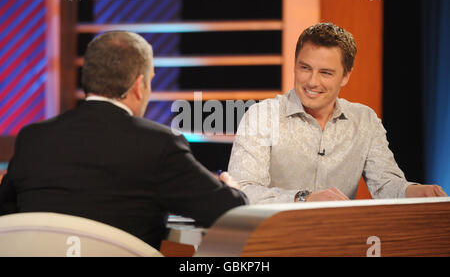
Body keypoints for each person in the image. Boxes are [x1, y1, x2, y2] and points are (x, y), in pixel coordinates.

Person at [0, 31, 248, 249]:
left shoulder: (33, 138)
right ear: (139, 85)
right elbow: (229, 212)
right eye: (150, 81)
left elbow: (7, 217)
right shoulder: (158, 144)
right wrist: (233, 189)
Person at [228, 22, 447, 204]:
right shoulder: (262, 116)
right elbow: (243, 190)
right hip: (273, 240)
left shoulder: (364, 120)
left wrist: (414, 192)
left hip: (338, 241)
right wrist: (303, 198)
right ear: (295, 66)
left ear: (345, 76)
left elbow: (385, 184)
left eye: (325, 73)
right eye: (305, 68)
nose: (312, 82)